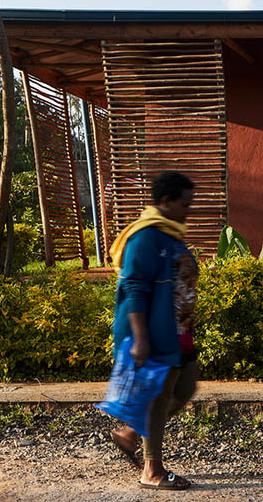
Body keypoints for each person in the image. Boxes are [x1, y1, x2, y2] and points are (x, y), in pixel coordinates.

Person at [105, 171, 200, 491]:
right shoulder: (146, 236)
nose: (189, 210)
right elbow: (134, 285)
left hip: (178, 329)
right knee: (160, 398)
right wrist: (141, 338)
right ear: (166, 201)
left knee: (185, 389)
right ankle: (152, 470)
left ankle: (131, 432)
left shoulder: (171, 233)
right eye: (185, 204)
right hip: (157, 331)